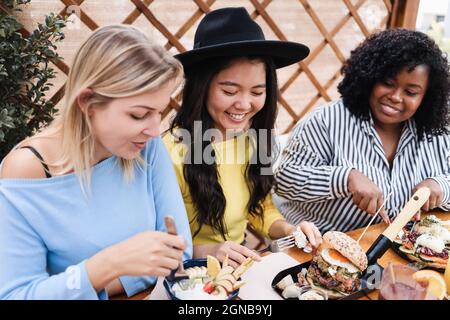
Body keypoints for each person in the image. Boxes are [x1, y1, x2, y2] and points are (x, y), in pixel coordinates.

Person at [0, 25, 192, 299]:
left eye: (159, 112)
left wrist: (80, 286)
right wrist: (109, 263)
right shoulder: (28, 170)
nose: (153, 128)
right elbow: (16, 295)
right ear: (88, 102)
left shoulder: (145, 147)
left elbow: (177, 255)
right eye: (139, 115)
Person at [163, 7, 322, 267]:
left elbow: (260, 208)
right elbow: (157, 240)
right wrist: (209, 251)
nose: (244, 104)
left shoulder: (255, 140)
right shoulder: (171, 152)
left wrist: (290, 231)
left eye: (257, 91)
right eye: (229, 91)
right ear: (202, 87)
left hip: (237, 273)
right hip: (186, 281)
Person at [275, 28, 450, 233]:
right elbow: (284, 180)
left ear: (426, 97)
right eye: (387, 83)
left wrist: (439, 186)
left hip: (400, 250)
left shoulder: (437, 133)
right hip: (320, 247)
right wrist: (345, 178)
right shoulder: (326, 121)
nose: (395, 96)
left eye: (410, 92)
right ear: (370, 77)